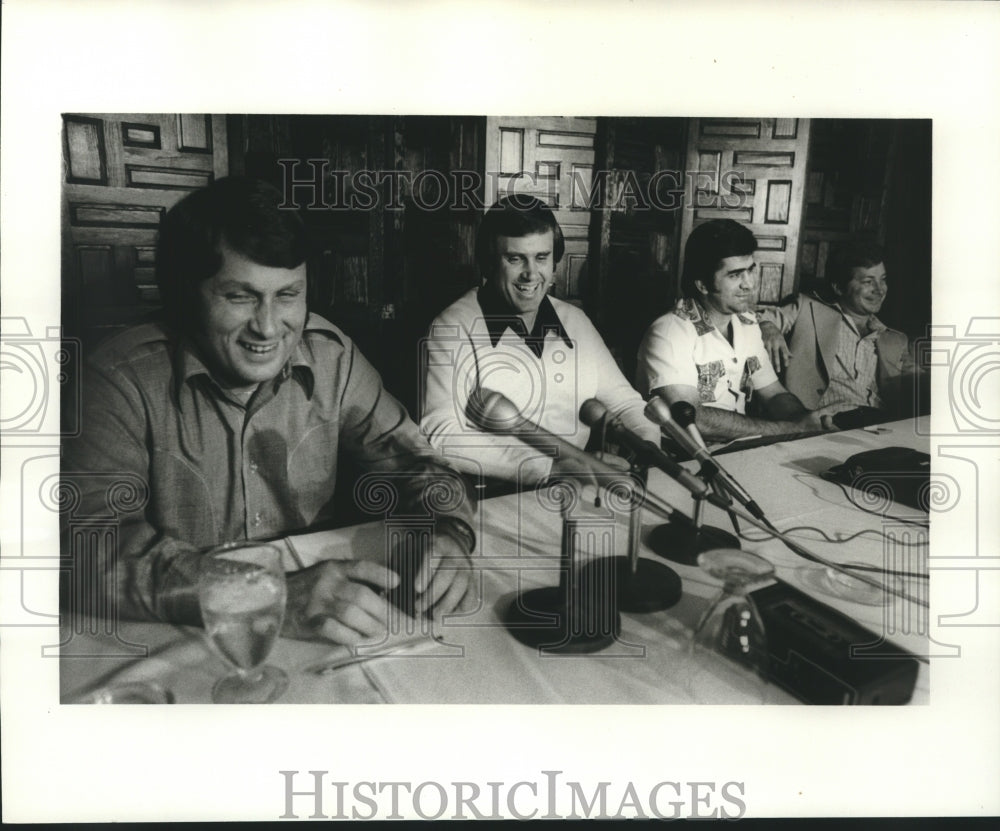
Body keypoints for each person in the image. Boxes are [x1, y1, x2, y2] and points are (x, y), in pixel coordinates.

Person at [61, 176, 476, 646]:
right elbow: (85, 550)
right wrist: (263, 592)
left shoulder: (332, 357)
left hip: (320, 623)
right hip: (183, 631)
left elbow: (419, 464)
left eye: (287, 295)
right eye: (240, 297)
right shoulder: (118, 378)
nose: (268, 327)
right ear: (185, 293)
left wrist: (450, 532)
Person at [419, 195, 659, 486]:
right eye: (515, 258)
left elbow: (625, 403)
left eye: (541, 258)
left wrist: (646, 448)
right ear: (488, 263)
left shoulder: (575, 321)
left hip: (579, 485)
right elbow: (441, 434)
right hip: (494, 497)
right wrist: (551, 468)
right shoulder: (451, 327)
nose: (531, 274)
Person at [636, 219, 845, 442]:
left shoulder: (747, 324)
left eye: (750, 271)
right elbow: (692, 418)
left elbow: (774, 394)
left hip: (736, 450)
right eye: (735, 275)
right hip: (684, 459)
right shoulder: (670, 333)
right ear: (703, 285)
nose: (749, 284)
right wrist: (789, 428)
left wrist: (806, 419)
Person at [756, 239, 922, 419]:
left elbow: (919, 383)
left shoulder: (895, 339)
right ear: (839, 287)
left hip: (879, 427)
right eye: (868, 282)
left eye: (883, 280)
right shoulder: (808, 309)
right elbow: (754, 319)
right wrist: (767, 327)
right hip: (822, 424)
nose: (880, 290)